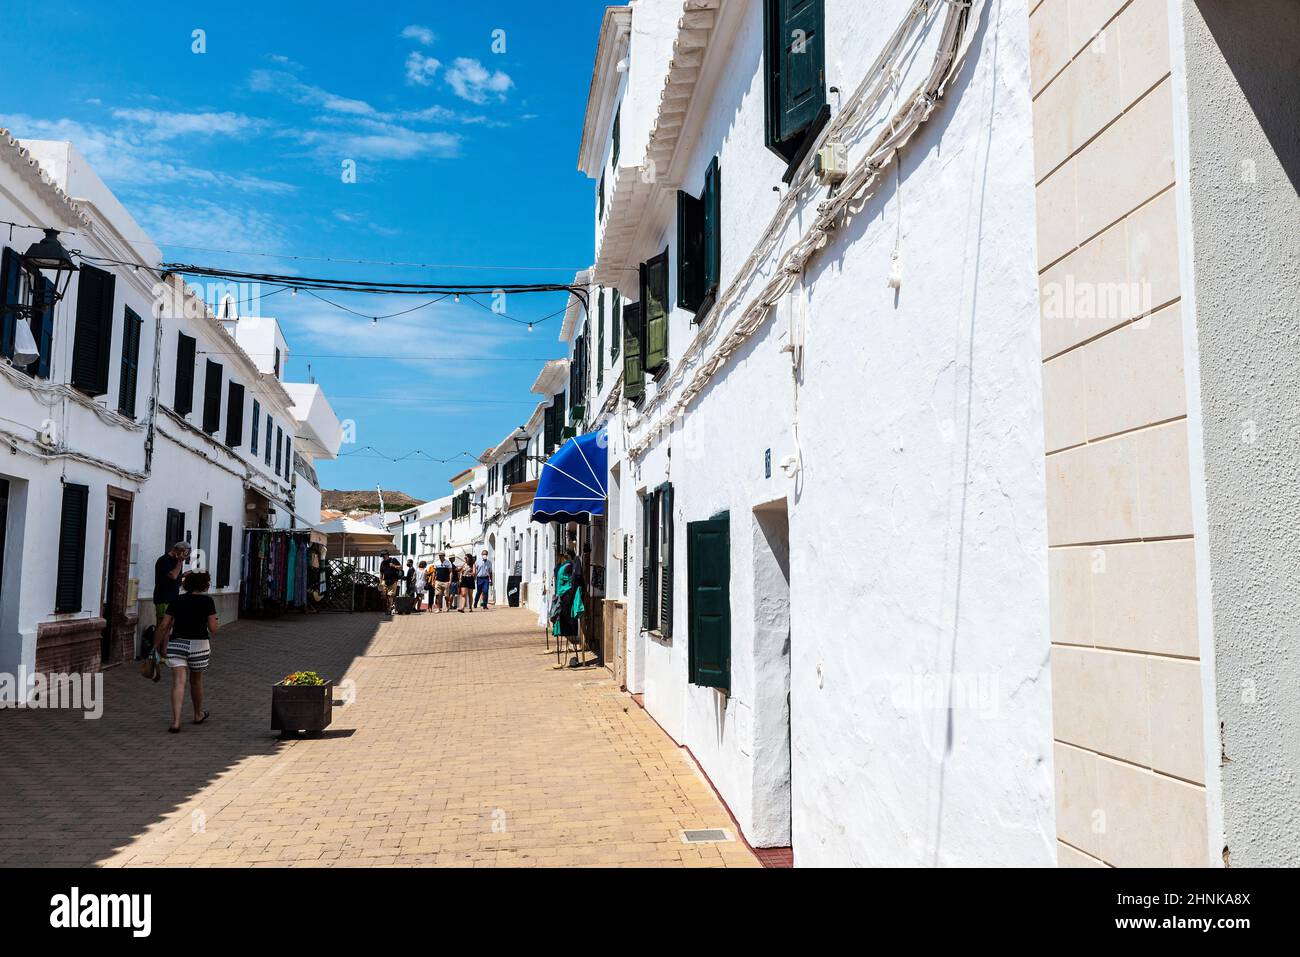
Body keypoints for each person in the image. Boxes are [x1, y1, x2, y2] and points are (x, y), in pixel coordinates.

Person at [154, 570, 218, 733]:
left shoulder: (177, 600)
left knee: (178, 682)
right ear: (204, 585)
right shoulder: (208, 601)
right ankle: (198, 714)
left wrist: (155, 646)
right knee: (196, 681)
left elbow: (164, 625)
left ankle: (176, 722)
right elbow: (213, 628)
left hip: (177, 644)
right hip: (199, 645)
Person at [152, 540, 190, 646]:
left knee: (169, 626)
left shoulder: (176, 561)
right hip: (163, 597)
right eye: (184, 554)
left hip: (173, 597)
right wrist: (180, 562)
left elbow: (176, 577)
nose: (184, 557)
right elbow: (173, 576)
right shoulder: (164, 560)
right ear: (177, 550)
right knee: (162, 625)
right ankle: (155, 653)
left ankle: (164, 652)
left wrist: (184, 575)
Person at [551, 549, 585, 667]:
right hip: (566, 600)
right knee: (568, 628)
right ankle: (569, 655)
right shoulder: (570, 566)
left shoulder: (566, 566)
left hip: (563, 599)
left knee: (566, 628)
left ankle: (564, 659)